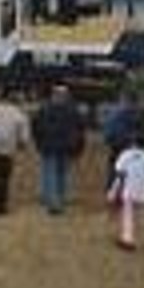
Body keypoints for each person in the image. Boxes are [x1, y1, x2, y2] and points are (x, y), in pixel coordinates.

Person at [29, 84, 86, 215]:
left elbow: (36, 127)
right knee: (62, 174)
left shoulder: (44, 109)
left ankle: (53, 202)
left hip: (49, 146)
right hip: (66, 147)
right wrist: (78, 147)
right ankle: (60, 200)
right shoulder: (73, 111)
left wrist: (39, 142)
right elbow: (80, 130)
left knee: (50, 173)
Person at [106, 136, 144, 251]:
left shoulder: (125, 155)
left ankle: (128, 239)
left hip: (129, 189)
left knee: (128, 216)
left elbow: (119, 175)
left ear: (132, 143)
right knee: (142, 217)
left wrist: (113, 192)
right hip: (143, 191)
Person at [99, 85, 144, 165]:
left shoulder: (114, 114)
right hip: (135, 153)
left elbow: (107, 136)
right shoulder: (140, 114)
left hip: (118, 151)